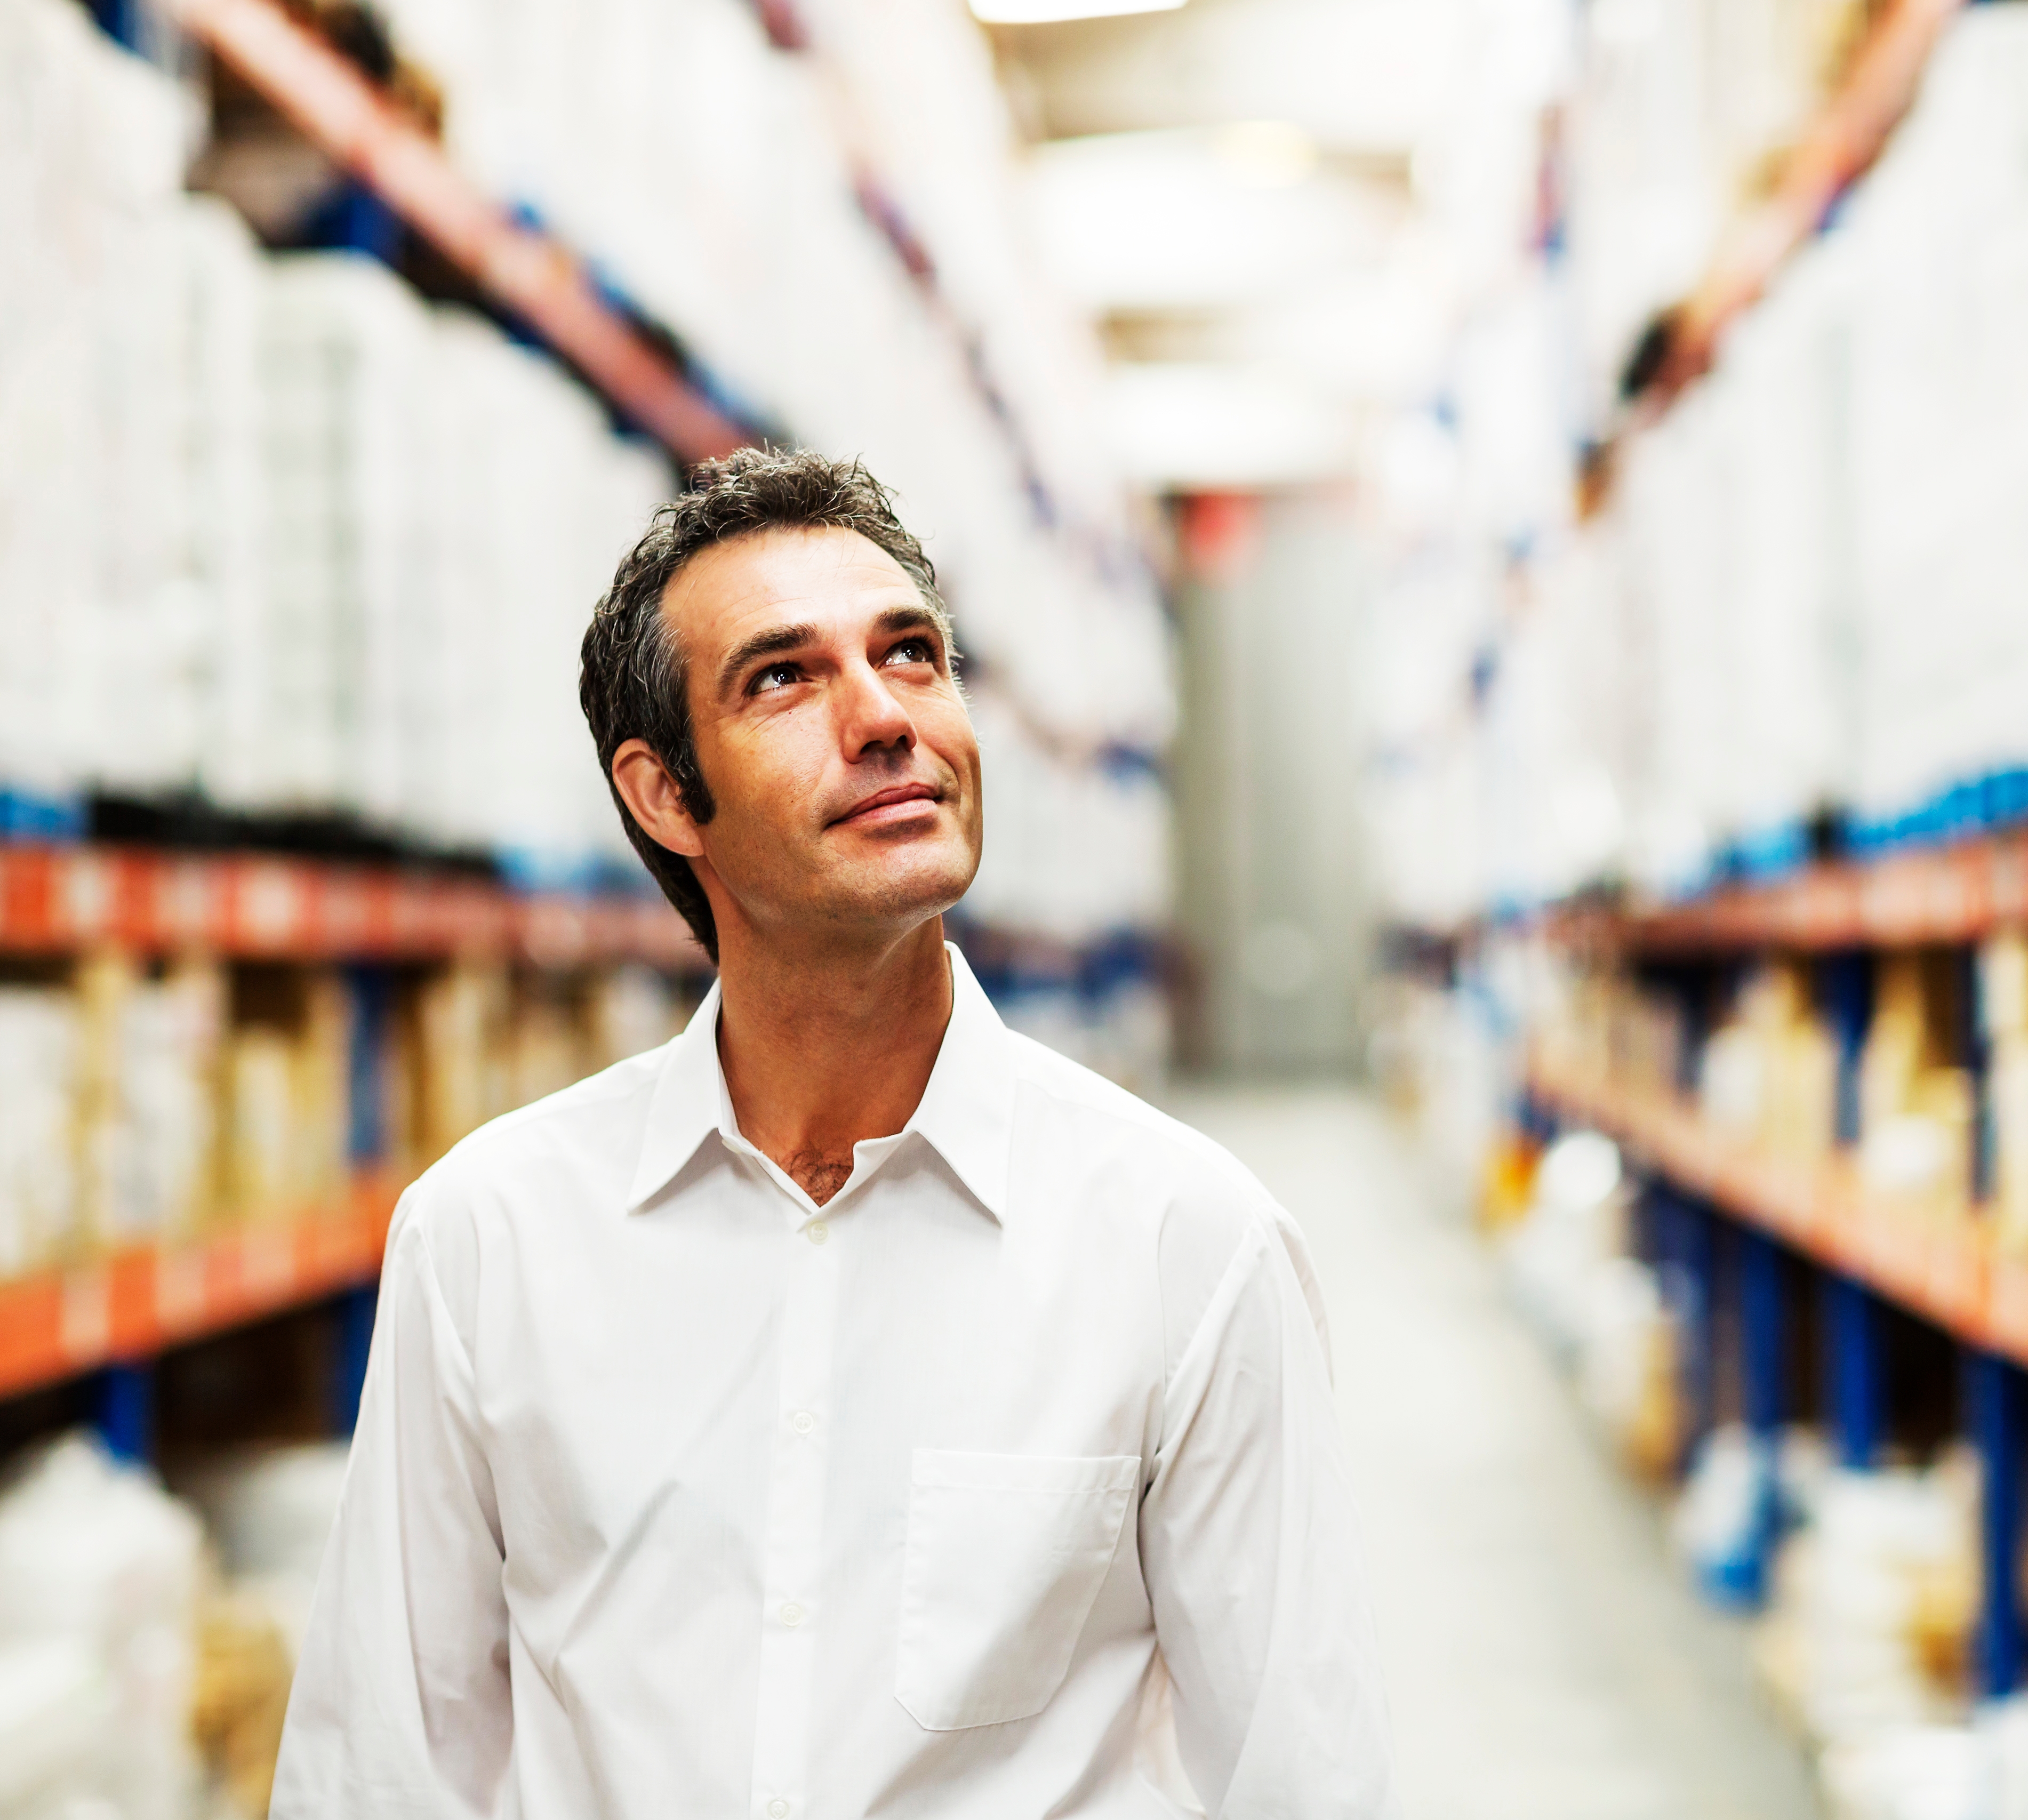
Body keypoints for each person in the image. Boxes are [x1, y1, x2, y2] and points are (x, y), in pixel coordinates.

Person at [270, 447, 1391, 1818]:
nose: (883, 717)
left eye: (912, 655)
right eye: (784, 677)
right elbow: (380, 1771)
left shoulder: (1183, 1242)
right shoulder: (491, 1239)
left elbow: (1306, 1775)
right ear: (666, 795)